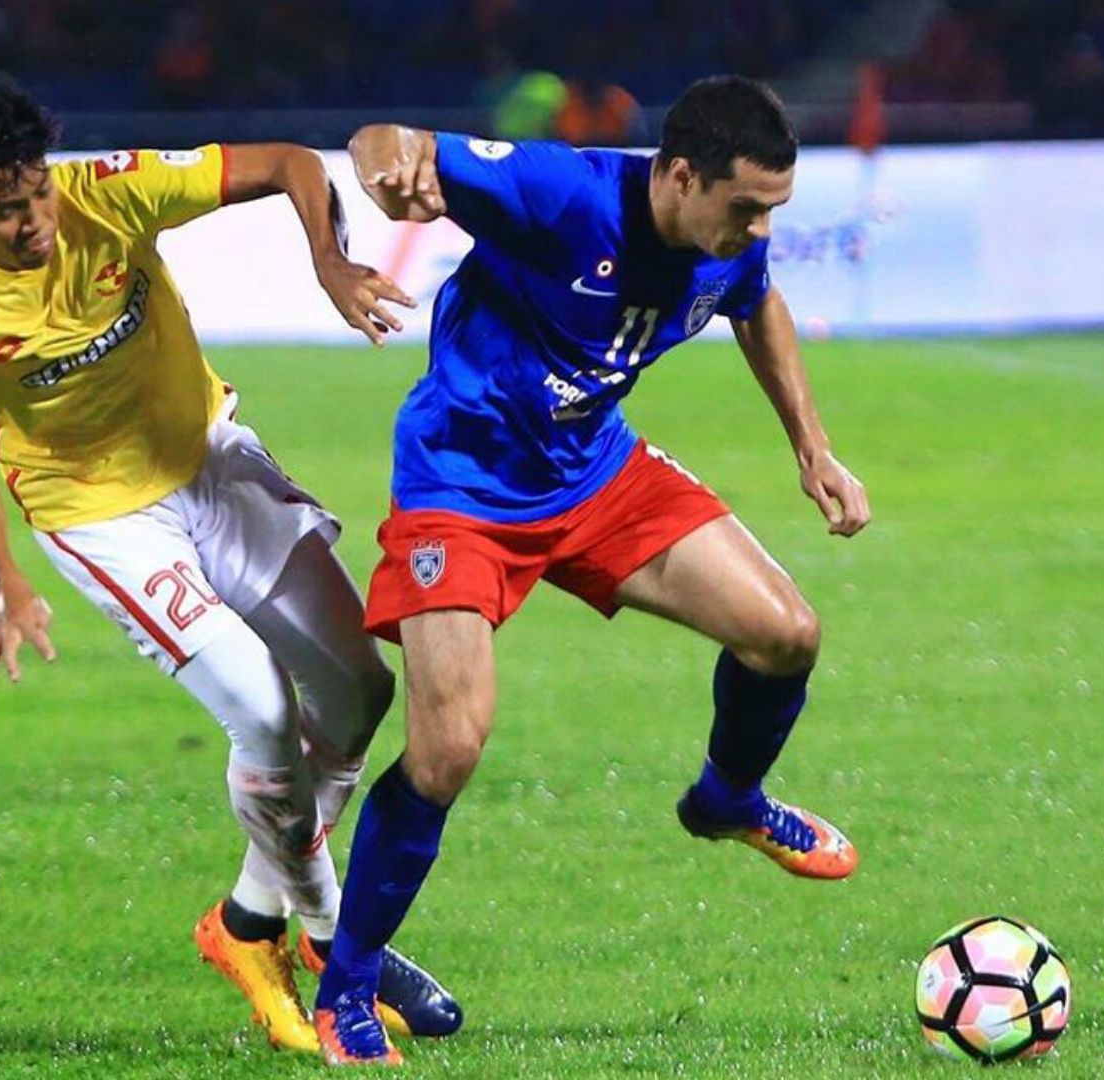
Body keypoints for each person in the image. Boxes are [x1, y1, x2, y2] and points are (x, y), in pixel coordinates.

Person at [0, 69, 460, 1055]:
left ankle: (246, 923)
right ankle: (337, 946)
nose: (32, 222)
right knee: (264, 711)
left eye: (35, 194)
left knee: (361, 693)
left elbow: (288, 162)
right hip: (101, 517)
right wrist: (7, 583)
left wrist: (329, 260)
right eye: (1, 211)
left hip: (210, 465)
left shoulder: (106, 193)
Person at [313, 76, 871, 1065]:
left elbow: (757, 302)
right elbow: (381, 134)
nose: (755, 230)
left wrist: (812, 448)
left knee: (787, 633)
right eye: (744, 208)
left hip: (595, 473)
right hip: (463, 485)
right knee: (448, 748)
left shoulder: (728, 239)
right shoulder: (562, 194)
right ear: (682, 175)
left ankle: (728, 800)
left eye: (771, 212)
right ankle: (346, 985)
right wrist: (387, 164)